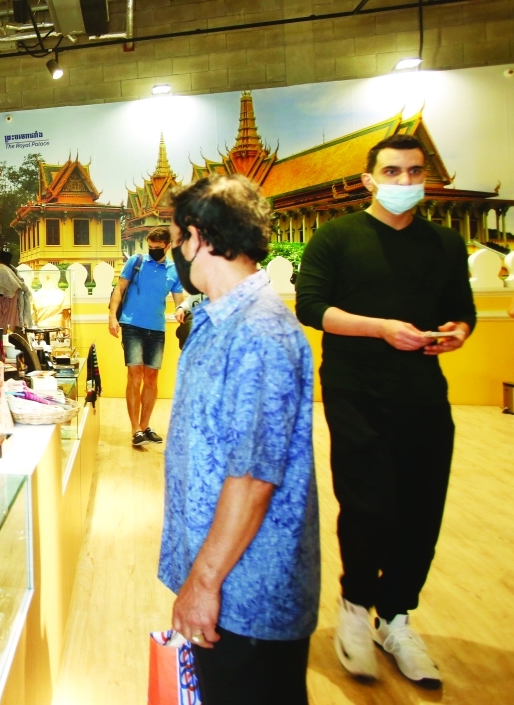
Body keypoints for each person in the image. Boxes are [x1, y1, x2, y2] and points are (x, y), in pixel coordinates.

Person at [296, 134, 475, 688]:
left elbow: (462, 311)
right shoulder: (337, 237)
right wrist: (380, 329)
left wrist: (457, 332)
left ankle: (395, 617)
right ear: (369, 179)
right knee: (368, 503)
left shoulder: (444, 244)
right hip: (355, 390)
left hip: (422, 391)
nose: (405, 181)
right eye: (392, 171)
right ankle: (355, 606)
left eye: (415, 171)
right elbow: (312, 307)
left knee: (421, 508)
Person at [160, 174, 319, 705]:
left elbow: (253, 478)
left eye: (179, 238)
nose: (177, 252)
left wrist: (204, 583)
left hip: (246, 596)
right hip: (224, 585)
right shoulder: (219, 318)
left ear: (199, 236)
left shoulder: (259, 333)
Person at [107, 228, 185, 446]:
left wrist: (181, 310)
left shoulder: (174, 270)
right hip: (132, 325)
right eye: (150, 247)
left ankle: (145, 425)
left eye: (157, 248)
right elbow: (119, 289)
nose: (153, 251)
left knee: (151, 379)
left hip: (157, 329)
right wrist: (112, 317)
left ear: (167, 246)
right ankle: (135, 430)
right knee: (135, 376)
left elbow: (179, 300)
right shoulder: (136, 261)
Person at [0, 248, 33, 333]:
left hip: (9, 304)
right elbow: (13, 285)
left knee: (9, 330)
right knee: (3, 330)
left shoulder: (6, 268)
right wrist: (23, 287)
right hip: (3, 305)